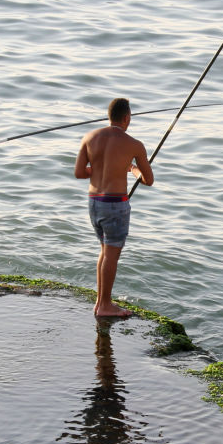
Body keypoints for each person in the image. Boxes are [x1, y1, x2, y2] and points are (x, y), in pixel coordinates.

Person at [74, 97, 154, 317]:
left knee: (104, 251)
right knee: (111, 253)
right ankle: (105, 306)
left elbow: (80, 173)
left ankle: (100, 302)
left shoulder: (89, 137)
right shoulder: (134, 144)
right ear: (127, 118)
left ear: (109, 116)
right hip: (115, 205)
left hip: (94, 202)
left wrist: (100, 169)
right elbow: (148, 180)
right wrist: (132, 169)